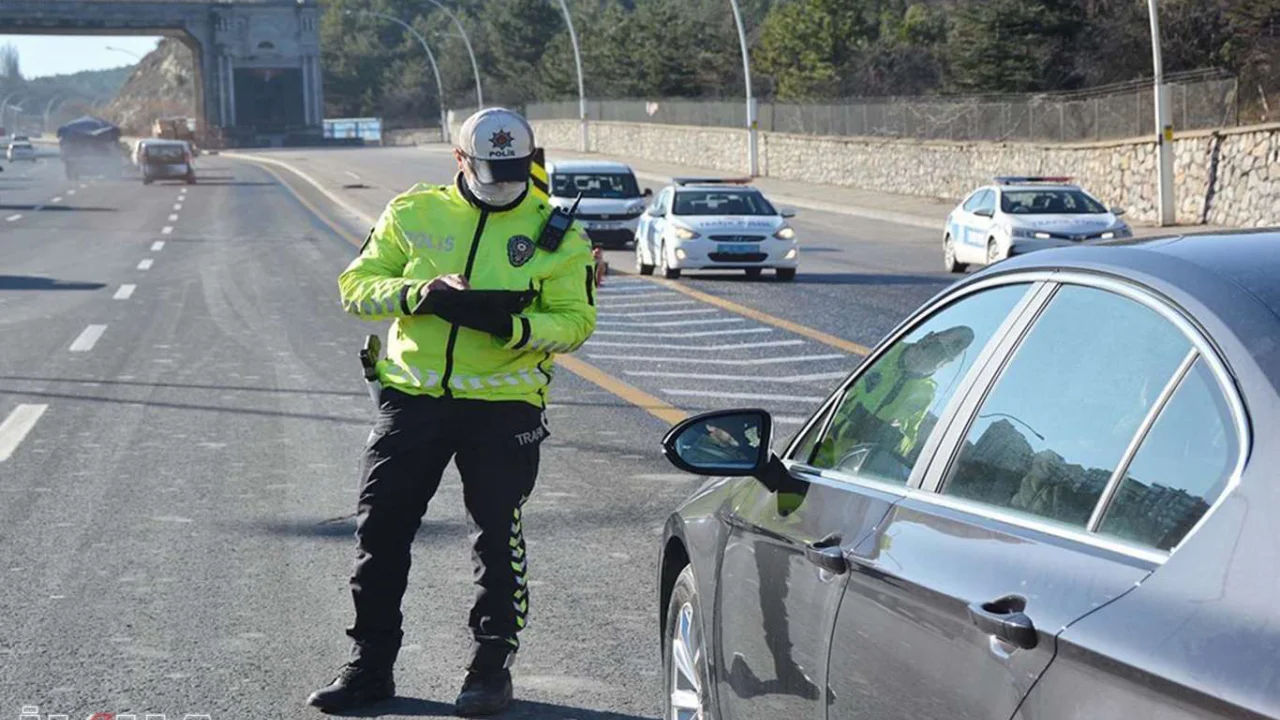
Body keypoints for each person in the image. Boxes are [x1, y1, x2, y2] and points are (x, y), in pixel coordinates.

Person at [308, 108, 597, 715]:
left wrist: (514, 326)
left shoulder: (557, 234)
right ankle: (370, 667)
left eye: (516, 175)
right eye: (492, 174)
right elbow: (354, 286)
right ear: (460, 161)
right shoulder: (413, 212)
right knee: (380, 533)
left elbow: (576, 322)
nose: (505, 188)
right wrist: (419, 294)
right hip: (412, 399)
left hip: (503, 407)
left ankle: (490, 670)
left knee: (497, 538)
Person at [813, 325, 974, 472]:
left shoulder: (926, 392)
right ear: (928, 338)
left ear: (945, 364)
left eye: (939, 358)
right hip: (813, 447)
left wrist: (895, 438)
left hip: (851, 467)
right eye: (933, 349)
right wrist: (849, 418)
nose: (926, 360)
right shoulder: (886, 351)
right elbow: (826, 388)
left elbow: (909, 440)